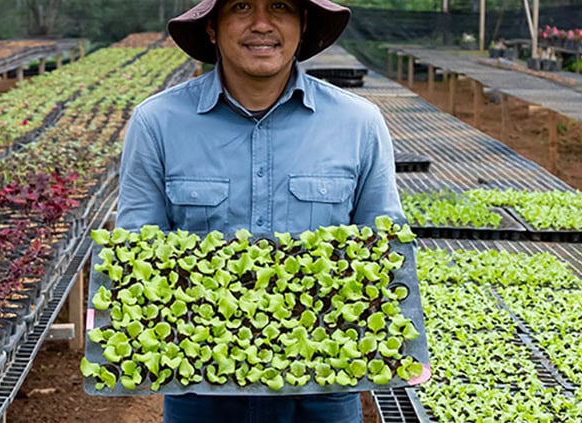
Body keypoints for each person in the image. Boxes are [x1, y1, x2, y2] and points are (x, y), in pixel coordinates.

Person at [115, 0, 403, 421]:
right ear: (212, 27)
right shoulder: (158, 122)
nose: (262, 24)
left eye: (281, 7)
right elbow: (135, 255)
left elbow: (384, 256)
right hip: (200, 391)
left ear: (303, 24)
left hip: (324, 391)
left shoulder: (359, 124)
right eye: (243, 6)